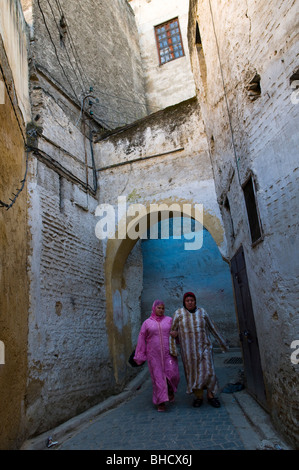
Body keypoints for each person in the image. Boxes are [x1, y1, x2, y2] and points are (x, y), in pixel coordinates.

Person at [169, 292, 228, 408]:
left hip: (204, 347)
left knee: (209, 371)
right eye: (187, 301)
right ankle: (198, 396)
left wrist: (222, 343)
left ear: (195, 301)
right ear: (184, 302)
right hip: (188, 351)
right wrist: (173, 347)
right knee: (193, 373)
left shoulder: (202, 312)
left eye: (192, 300)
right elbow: (172, 331)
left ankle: (211, 395)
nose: (190, 302)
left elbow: (212, 327)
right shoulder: (178, 314)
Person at [134, 300, 180, 412]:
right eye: (159, 308)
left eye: (163, 308)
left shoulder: (169, 320)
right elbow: (141, 339)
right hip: (154, 356)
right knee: (158, 378)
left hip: (169, 354)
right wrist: (140, 355)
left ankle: (170, 390)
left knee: (173, 374)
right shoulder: (147, 323)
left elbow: (177, 333)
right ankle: (161, 402)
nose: (161, 310)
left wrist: (177, 334)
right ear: (154, 308)